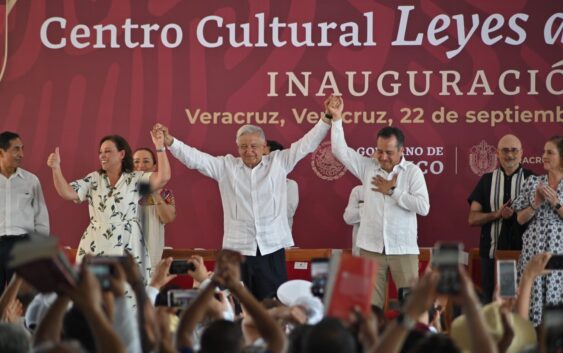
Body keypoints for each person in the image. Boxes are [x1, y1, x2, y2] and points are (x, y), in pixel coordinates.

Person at [156, 114, 331, 301]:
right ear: (237, 147)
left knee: (271, 305)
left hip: (271, 249)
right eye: (243, 146)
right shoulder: (226, 167)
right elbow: (195, 158)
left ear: (264, 147)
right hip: (236, 251)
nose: (248, 151)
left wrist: (327, 119)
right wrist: (171, 142)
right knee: (234, 304)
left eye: (254, 146)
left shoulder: (279, 162)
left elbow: (306, 144)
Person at [327, 96, 430, 309]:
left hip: (403, 249)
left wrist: (392, 191)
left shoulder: (412, 172)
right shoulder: (368, 167)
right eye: (379, 150)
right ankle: (371, 343)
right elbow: (340, 151)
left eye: (389, 152)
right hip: (370, 248)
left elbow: (423, 207)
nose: (382, 157)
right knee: (368, 309)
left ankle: (409, 343)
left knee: (410, 307)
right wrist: (336, 119)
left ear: (402, 150)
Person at [47, 129, 170, 282]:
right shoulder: (94, 178)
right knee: (93, 295)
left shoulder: (135, 178)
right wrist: (56, 169)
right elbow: (67, 192)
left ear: (122, 154)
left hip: (128, 244)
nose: (102, 155)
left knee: (129, 295)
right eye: (100, 152)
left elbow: (163, 178)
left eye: (108, 151)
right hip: (96, 243)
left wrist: (160, 147)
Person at [467, 134, 533, 303]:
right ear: (497, 153)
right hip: (491, 253)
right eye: (505, 150)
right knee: (490, 302)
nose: (510, 155)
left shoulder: (533, 180)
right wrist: (496, 214)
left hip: (524, 254)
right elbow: (472, 218)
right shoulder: (486, 180)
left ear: (522, 153)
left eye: (514, 150)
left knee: (522, 302)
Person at [514, 135, 563, 326]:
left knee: (556, 299)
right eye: (544, 151)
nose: (544, 156)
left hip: (559, 253)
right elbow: (520, 219)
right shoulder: (533, 182)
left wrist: (556, 203)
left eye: (550, 152)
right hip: (532, 251)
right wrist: (535, 203)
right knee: (530, 296)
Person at [0, 131, 49, 294]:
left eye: (22, 149)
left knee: (23, 299)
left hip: (22, 246)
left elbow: (41, 217)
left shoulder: (31, 181)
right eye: (16, 149)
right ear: (1, 152)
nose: (21, 154)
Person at [133, 147, 176, 269]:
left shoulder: (165, 193)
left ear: (154, 166)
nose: (141, 165)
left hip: (151, 255)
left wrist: (153, 191)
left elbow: (168, 218)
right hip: (126, 254)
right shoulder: (122, 191)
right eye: (136, 162)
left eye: (146, 161)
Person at [265, 140, 299, 230]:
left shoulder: (290, 185)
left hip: (278, 239)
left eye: (265, 156)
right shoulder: (248, 182)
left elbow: (287, 213)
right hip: (250, 240)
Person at [342, 185, 363, 256]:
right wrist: (370, 209)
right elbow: (348, 218)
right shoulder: (358, 190)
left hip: (392, 253)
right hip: (361, 253)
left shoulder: (395, 192)